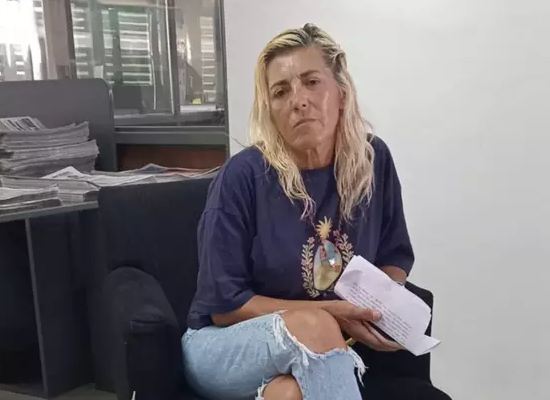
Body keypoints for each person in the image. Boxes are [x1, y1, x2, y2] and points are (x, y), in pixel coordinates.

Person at [182, 24, 442, 400]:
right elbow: (225, 307)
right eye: (281, 91)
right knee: (315, 326)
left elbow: (393, 257)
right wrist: (331, 313)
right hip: (222, 345)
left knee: (288, 394)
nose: (299, 100)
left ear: (341, 92)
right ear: (270, 110)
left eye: (312, 82)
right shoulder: (242, 176)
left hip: (321, 345)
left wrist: (376, 309)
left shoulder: (374, 160)